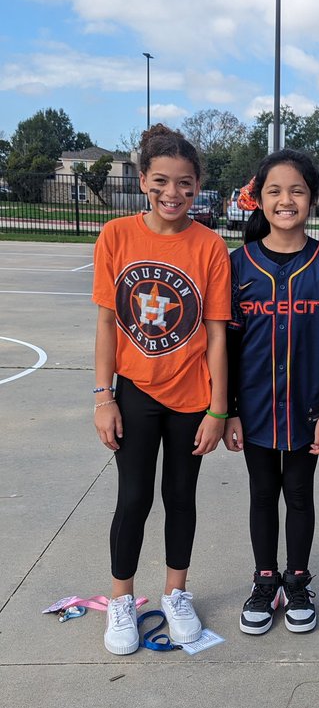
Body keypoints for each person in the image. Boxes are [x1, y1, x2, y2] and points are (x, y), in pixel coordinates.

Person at [92, 124, 230, 655]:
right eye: (162, 182)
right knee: (133, 498)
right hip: (135, 393)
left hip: (192, 396)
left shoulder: (210, 245)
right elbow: (107, 324)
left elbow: (216, 334)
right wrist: (103, 397)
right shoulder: (116, 236)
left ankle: (176, 593)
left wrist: (218, 409)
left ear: (198, 187)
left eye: (186, 184)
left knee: (180, 496)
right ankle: (122, 600)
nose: (173, 194)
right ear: (145, 180)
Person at [224, 150, 319, 636]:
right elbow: (227, 345)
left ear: (312, 199)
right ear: (259, 199)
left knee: (298, 492)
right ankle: (264, 579)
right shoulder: (239, 265)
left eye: (297, 190)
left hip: (306, 405)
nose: (286, 200)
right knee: (261, 493)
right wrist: (229, 409)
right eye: (274, 190)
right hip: (253, 406)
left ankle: (296, 579)